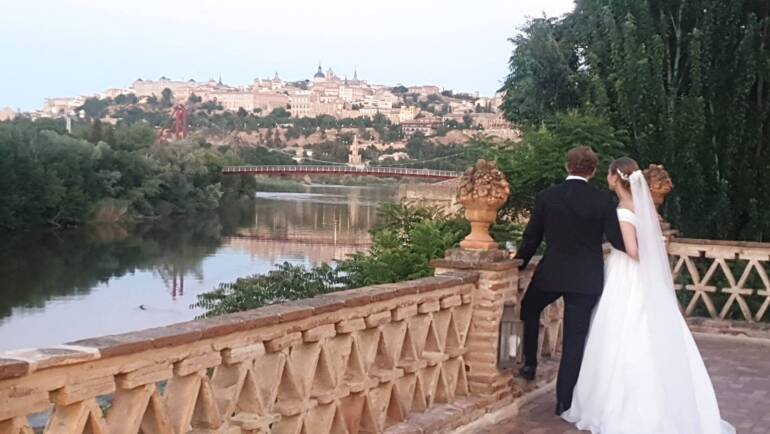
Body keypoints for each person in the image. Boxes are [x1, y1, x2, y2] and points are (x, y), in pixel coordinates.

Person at [561, 157, 734, 433]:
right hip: (643, 278)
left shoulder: (623, 211)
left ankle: (621, 405)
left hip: (626, 275)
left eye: (609, 174)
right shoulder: (645, 210)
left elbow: (631, 250)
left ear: (615, 178)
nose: (607, 178)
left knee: (620, 332)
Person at [515, 146, 626, 415]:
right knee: (575, 340)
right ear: (594, 170)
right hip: (587, 278)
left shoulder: (547, 197)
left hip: (551, 273)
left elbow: (532, 237)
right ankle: (564, 401)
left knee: (528, 309)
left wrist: (519, 262)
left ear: (567, 167)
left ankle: (529, 363)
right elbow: (617, 241)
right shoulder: (602, 201)